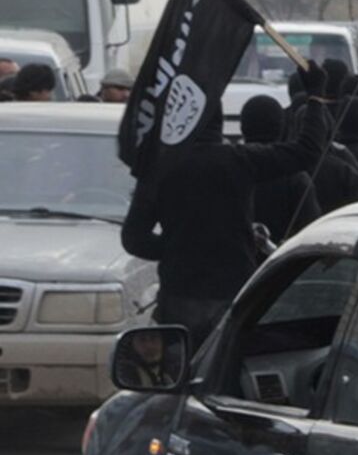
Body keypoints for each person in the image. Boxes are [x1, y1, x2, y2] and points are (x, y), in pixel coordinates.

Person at [121, 61, 329, 350]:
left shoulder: (158, 170)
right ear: (218, 121)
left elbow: (134, 238)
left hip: (180, 291)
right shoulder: (239, 161)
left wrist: (180, 247)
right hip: (234, 288)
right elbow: (307, 152)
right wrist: (316, 98)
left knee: (180, 373)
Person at [240, 95, 323, 243]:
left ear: (242, 127)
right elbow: (313, 233)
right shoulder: (296, 178)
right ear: (281, 127)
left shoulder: (226, 171)